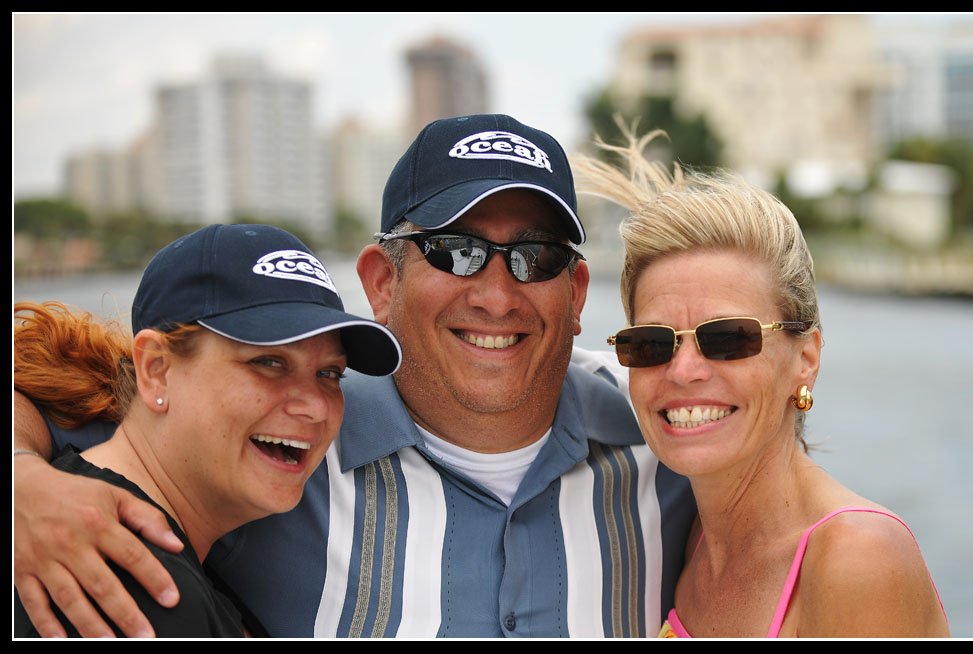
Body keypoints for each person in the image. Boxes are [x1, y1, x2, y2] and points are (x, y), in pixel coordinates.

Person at [13, 114, 696, 638]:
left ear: (576, 293)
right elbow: (83, 401)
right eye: (455, 251)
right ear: (379, 281)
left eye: (535, 255)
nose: (496, 294)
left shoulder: (673, 439)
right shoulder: (268, 455)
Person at [571, 126, 949, 637]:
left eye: (728, 339)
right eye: (653, 344)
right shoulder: (697, 538)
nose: (683, 370)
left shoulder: (857, 558)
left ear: (806, 359)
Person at [12, 224, 402, 637]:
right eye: (268, 362)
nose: (316, 405)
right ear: (156, 371)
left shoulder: (159, 546)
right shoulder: (131, 586)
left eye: (330, 373)